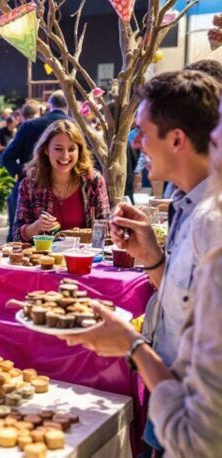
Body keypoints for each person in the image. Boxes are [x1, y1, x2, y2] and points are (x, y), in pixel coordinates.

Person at [59, 79, 222, 457]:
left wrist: (131, 347)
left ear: (177, 139)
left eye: (143, 132)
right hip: (166, 398)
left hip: (186, 418)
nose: (136, 143)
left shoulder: (211, 223)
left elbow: (204, 437)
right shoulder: (184, 205)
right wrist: (151, 257)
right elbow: (190, 302)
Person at [13, 119, 110, 241]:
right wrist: (35, 227)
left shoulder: (93, 182)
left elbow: (105, 228)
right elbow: (16, 235)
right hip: (44, 258)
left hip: (85, 257)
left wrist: (84, 235)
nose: (65, 156)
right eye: (58, 149)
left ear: (79, 151)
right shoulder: (29, 185)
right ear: (46, 150)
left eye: (71, 149)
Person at [0, 90, 70, 241]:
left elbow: (7, 157)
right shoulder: (77, 126)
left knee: (16, 238)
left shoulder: (30, 125)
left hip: (31, 188)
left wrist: (23, 173)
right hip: (66, 187)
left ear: (50, 105)